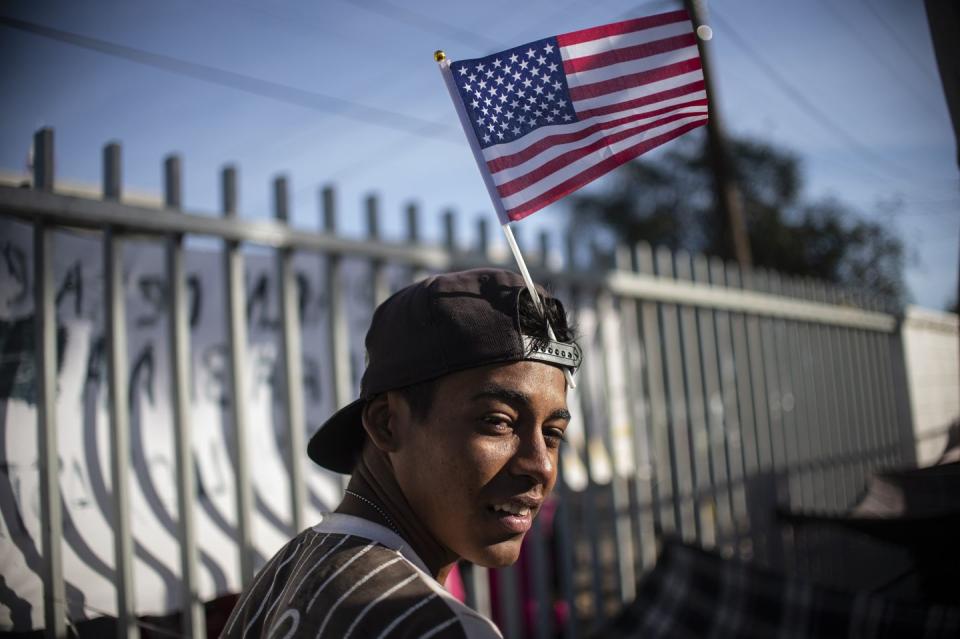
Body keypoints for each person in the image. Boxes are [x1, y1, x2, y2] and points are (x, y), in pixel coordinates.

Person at [222, 268, 581, 638]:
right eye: (498, 421)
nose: (540, 464)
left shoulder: (284, 574)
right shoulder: (439, 628)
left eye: (553, 433)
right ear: (387, 424)